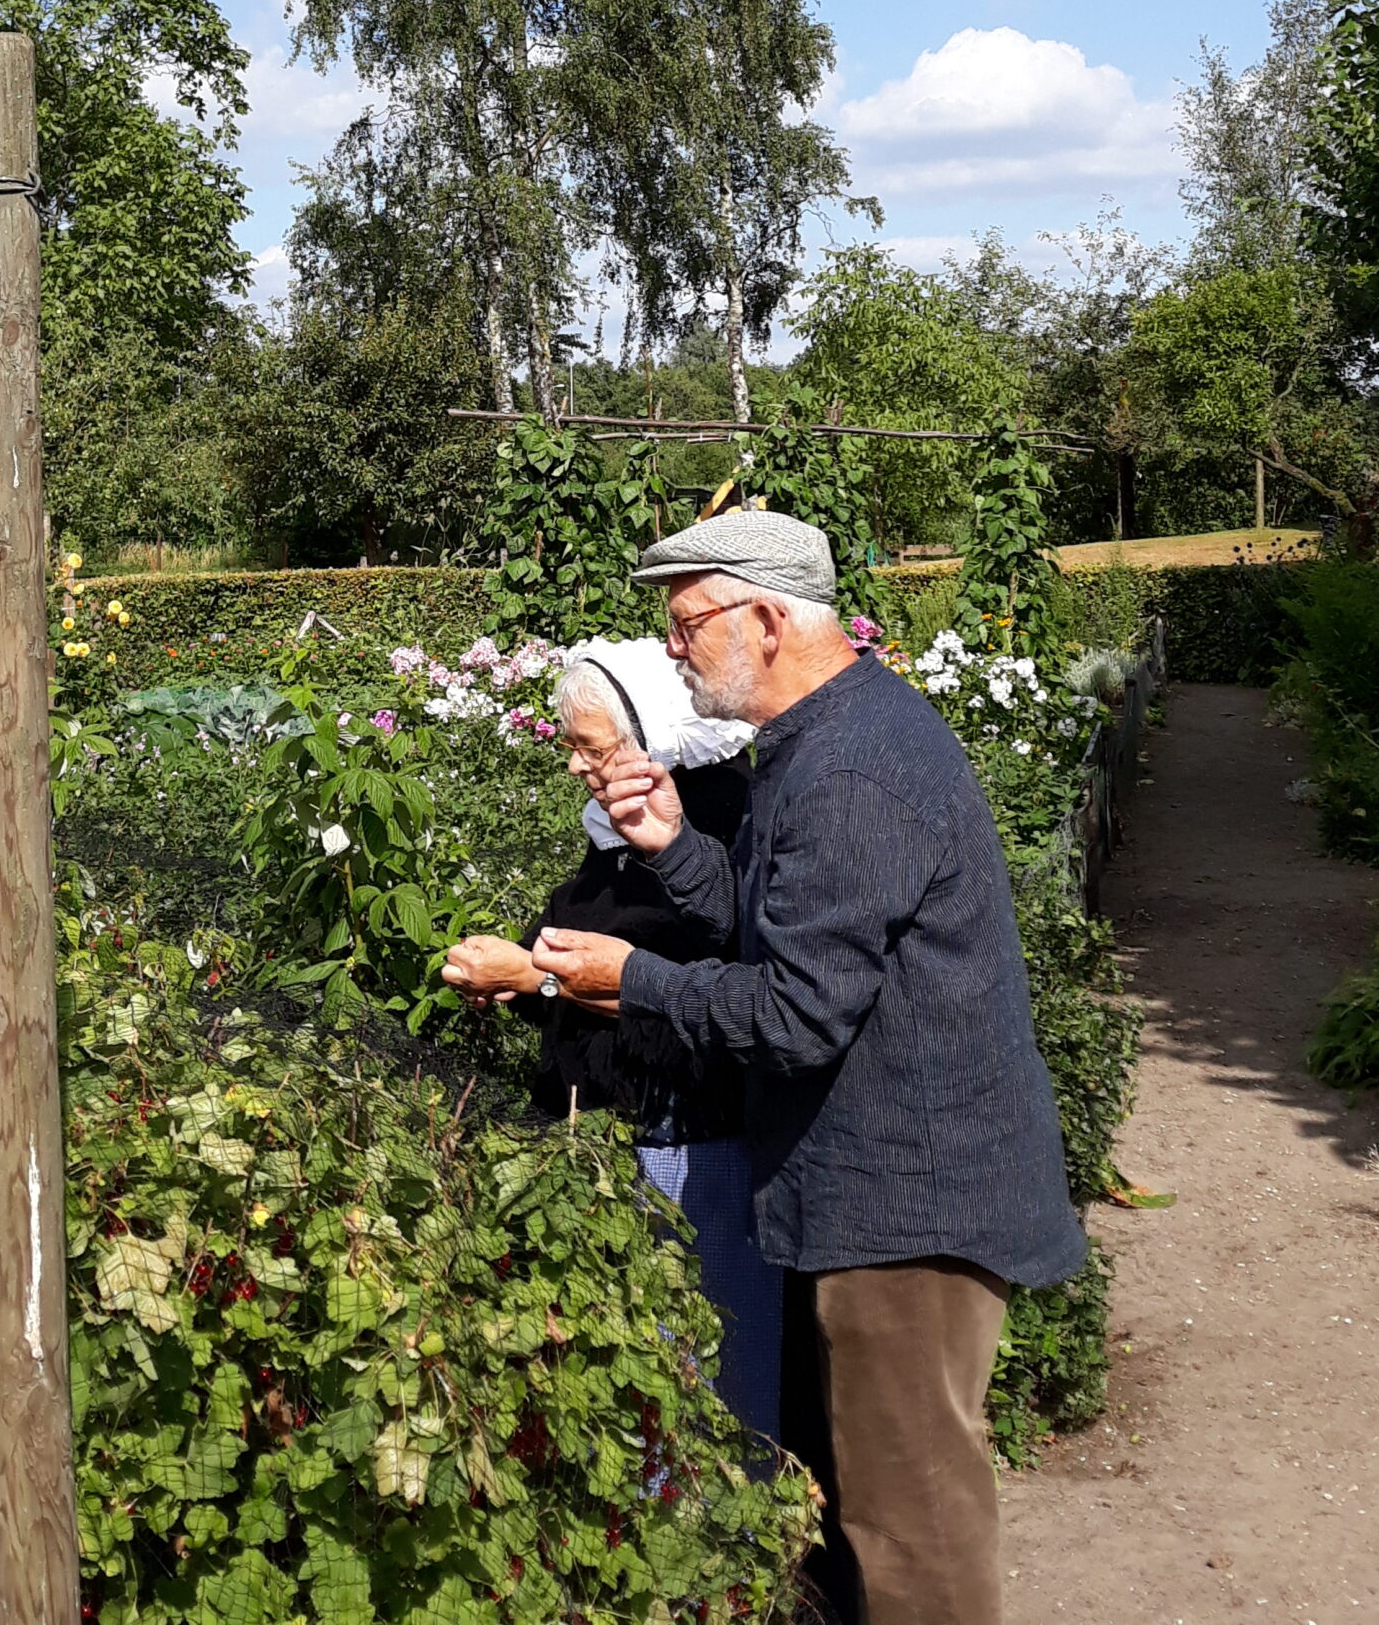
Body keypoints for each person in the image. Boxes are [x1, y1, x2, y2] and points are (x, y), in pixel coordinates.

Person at [531, 512, 1086, 1625]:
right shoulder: (824, 740)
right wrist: (677, 851)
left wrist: (628, 978)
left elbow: (794, 1012)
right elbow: (792, 932)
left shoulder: (848, 770)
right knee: (879, 1511)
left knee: (912, 1532)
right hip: (885, 1193)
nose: (675, 649)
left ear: (771, 618)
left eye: (689, 623)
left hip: (908, 1211)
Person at [440, 636, 782, 1437]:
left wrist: (536, 976)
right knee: (633, 1381)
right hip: (613, 1136)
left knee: (700, 1378)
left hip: (691, 1146)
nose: (573, 767)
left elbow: (685, 990)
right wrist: (515, 972)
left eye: (589, 748)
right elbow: (576, 958)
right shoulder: (616, 832)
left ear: (651, 738)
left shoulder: (717, 824)